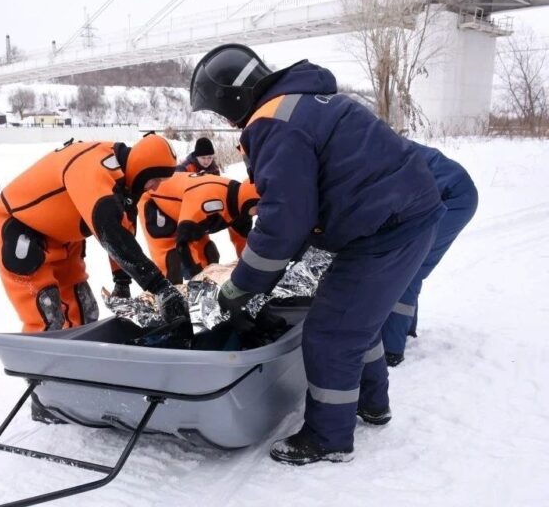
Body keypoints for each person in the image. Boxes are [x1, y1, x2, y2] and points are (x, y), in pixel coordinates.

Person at [191, 44, 448, 465]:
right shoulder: (304, 101)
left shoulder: (274, 122)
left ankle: (328, 437)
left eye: (219, 111)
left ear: (231, 98)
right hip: (400, 215)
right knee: (356, 321)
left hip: (385, 227)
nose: (223, 120)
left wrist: (243, 287)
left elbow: (285, 220)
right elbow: (305, 202)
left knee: (331, 332)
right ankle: (372, 404)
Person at [0, 133, 189, 333]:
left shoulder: (123, 179)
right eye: (154, 179)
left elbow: (124, 230)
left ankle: (76, 362)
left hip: (64, 237)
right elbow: (109, 229)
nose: (155, 187)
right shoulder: (92, 165)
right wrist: (159, 286)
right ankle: (30, 364)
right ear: (141, 168)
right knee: (46, 315)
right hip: (22, 230)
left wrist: (122, 280)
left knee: (84, 310)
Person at [381, 143, 478, 366]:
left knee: (408, 269)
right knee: (407, 264)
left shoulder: (369, 151)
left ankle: (391, 349)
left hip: (452, 198)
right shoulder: (369, 141)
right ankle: (404, 329)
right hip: (443, 191)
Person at [139, 172, 258, 283]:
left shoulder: (242, 206)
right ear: (251, 203)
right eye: (259, 209)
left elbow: (242, 241)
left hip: (188, 210)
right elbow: (184, 241)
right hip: (154, 201)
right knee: (171, 262)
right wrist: (195, 276)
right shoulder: (209, 202)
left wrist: (248, 270)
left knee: (209, 254)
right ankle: (169, 298)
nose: (259, 214)